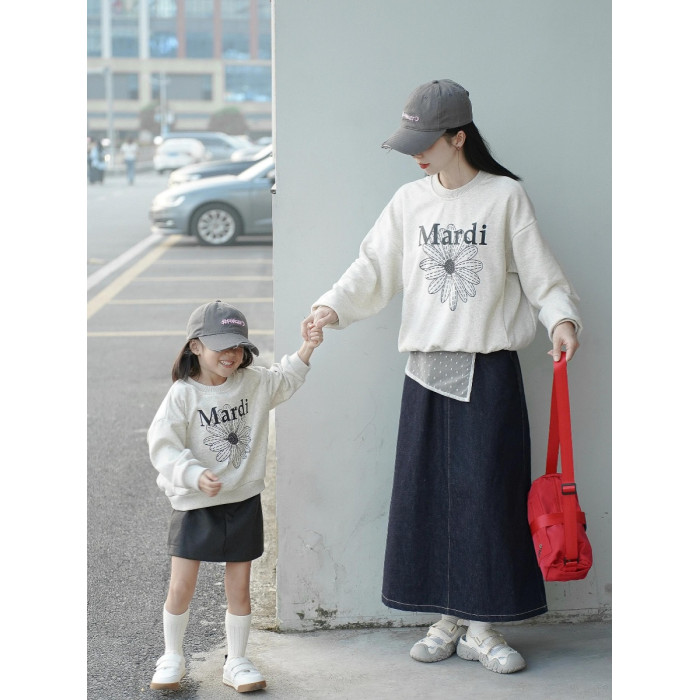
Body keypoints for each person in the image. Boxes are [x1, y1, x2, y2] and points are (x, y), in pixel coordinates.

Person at [301, 79, 581, 675]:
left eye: (425, 142)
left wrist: (560, 319)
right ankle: (447, 619)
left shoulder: (504, 197)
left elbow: (542, 275)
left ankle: (483, 628)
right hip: (426, 373)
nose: (416, 155)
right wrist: (330, 305)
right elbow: (373, 267)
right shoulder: (410, 202)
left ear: (458, 137)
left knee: (489, 497)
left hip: (489, 371)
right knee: (427, 498)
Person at [148, 300, 323, 692]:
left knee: (239, 588)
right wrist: (193, 474)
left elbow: (285, 379)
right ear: (195, 346)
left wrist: (308, 346)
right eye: (221, 346)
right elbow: (163, 446)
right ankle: (172, 656)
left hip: (242, 501)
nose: (231, 354)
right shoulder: (182, 395)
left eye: (238, 346)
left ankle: (238, 660)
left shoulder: (253, 382)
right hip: (195, 504)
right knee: (181, 586)